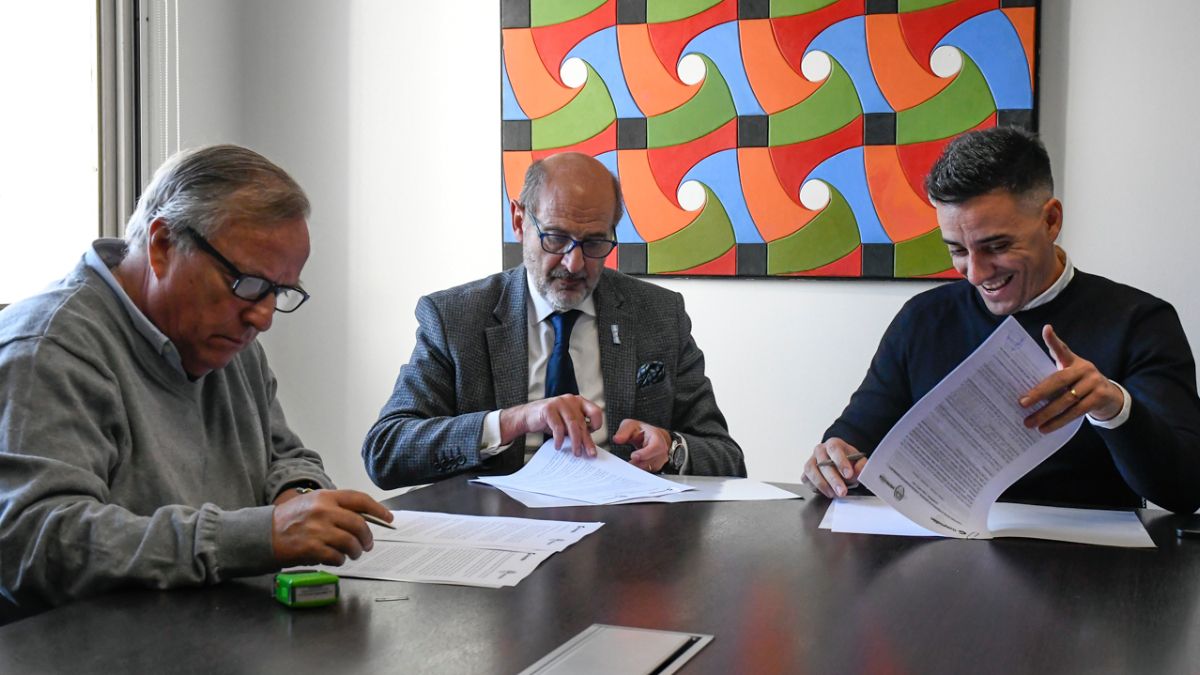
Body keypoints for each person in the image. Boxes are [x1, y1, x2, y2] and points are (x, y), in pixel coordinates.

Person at [0, 145, 392, 622]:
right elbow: (35, 543)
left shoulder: (226, 339)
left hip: (216, 630)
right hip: (90, 647)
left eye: (280, 291)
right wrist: (261, 536)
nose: (263, 317)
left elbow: (284, 456)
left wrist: (301, 494)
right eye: (248, 284)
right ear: (163, 245)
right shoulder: (48, 347)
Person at [802, 126, 1200, 514]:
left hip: (1085, 553)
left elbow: (1185, 490)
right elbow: (855, 438)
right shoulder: (922, 320)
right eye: (957, 250)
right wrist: (832, 461)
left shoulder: (1141, 322)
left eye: (996, 246)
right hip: (939, 549)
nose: (975, 274)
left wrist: (1115, 408)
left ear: (1051, 221)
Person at [363, 152, 744, 487]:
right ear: (519, 221)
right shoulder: (455, 318)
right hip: (501, 530)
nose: (574, 263)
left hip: (625, 529)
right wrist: (512, 421)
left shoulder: (658, 314)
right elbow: (386, 452)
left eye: (594, 243)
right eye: (556, 239)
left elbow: (727, 457)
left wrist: (671, 448)